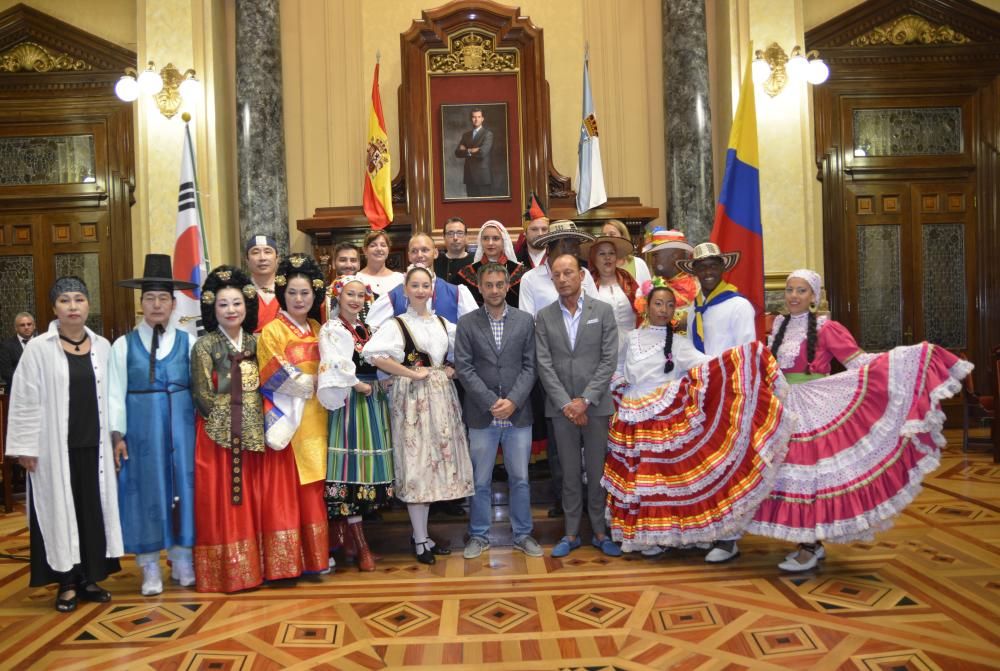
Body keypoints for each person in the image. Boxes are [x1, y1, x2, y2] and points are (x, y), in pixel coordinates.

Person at [746, 269, 973, 571]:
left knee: (815, 477)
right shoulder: (777, 327)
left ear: (813, 297)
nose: (793, 296)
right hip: (786, 405)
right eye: (789, 290)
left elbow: (857, 361)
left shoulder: (827, 328)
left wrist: (900, 358)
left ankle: (811, 546)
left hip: (816, 406)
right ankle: (807, 541)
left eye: (801, 291)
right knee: (788, 476)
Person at [602, 280, 790, 556]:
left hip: (662, 417)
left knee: (661, 481)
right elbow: (615, 366)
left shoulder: (678, 343)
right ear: (646, 307)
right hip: (631, 415)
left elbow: (708, 364)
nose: (664, 309)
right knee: (636, 479)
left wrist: (742, 359)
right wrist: (620, 384)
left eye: (669, 305)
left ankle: (665, 534)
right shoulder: (630, 337)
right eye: (658, 303)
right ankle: (645, 536)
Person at [6, 277, 122, 612]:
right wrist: (25, 447)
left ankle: (89, 578)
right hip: (54, 449)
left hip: (94, 447)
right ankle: (66, 583)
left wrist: (116, 436)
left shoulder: (103, 346)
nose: (73, 306)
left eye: (79, 299)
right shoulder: (39, 349)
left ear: (88, 305)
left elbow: (113, 397)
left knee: (90, 513)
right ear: (54, 307)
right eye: (65, 301)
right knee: (58, 512)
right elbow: (24, 399)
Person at [362, 266, 474, 564]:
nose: (421, 290)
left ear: (432, 289)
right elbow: (373, 354)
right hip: (412, 401)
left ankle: (422, 536)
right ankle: (420, 538)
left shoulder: (442, 323)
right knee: (416, 464)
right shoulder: (396, 324)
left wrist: (452, 370)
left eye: (426, 285)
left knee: (432, 466)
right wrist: (408, 373)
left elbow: (469, 348)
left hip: (440, 398)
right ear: (406, 290)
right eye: (416, 285)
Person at [110, 254, 197, 595]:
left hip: (182, 431)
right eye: (150, 298)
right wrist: (118, 435)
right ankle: (149, 567)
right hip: (142, 431)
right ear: (141, 303)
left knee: (184, 491)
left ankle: (183, 559)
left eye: (163, 298)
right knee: (144, 492)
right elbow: (114, 393)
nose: (157, 304)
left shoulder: (188, 342)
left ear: (174, 303)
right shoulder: (123, 345)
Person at [676, 242, 757, 562]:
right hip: (700, 395)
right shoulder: (692, 308)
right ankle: (707, 529)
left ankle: (729, 537)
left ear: (723, 268)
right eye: (701, 266)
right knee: (704, 464)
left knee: (729, 466)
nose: (707, 271)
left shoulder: (738, 306)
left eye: (713, 265)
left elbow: (746, 353)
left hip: (729, 395)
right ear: (694, 271)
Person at [535, 254, 620, 558]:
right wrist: (566, 404)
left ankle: (599, 531)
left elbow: (609, 359)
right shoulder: (544, 317)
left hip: (595, 406)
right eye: (557, 275)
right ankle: (571, 533)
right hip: (561, 410)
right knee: (568, 473)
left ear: (581, 275)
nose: (562, 279)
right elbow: (543, 364)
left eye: (568, 273)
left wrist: (584, 400)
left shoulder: (604, 312)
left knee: (598, 472)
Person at [455, 263, 541, 559]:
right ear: (479, 287)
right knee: (480, 481)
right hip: (482, 415)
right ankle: (479, 536)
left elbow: (532, 366)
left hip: (518, 415)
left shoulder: (525, 320)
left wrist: (514, 401)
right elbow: (464, 369)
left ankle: (523, 534)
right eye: (488, 284)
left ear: (508, 286)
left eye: (499, 284)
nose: (494, 290)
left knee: (520, 478)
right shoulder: (466, 323)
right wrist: (492, 402)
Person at [190, 266, 264, 593]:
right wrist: (230, 424)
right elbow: (201, 393)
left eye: (236, 303)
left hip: (252, 434)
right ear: (212, 309)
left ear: (246, 306)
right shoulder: (204, 346)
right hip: (216, 437)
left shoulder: (255, 342)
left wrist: (251, 423)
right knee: (220, 500)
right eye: (223, 305)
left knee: (251, 498)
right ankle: (224, 571)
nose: (231, 310)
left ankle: (253, 568)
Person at [256, 254, 330, 578]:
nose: (299, 299)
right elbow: (270, 373)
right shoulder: (272, 331)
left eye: (305, 293)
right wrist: (313, 382)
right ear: (283, 295)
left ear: (314, 295)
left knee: (316, 490)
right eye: (292, 293)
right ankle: (288, 562)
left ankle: (318, 558)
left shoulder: (318, 327)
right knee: (289, 495)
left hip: (320, 417)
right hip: (289, 420)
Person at [317, 275, 394, 572]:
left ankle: (351, 538)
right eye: (350, 294)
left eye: (360, 295)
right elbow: (332, 363)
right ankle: (360, 545)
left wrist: (384, 381)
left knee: (366, 472)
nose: (355, 300)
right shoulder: (332, 328)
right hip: (350, 403)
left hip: (371, 401)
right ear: (338, 297)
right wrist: (356, 384)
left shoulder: (367, 328)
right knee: (350, 473)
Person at [367, 233, 477, 329]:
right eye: (414, 251)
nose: (419, 255)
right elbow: (372, 330)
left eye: (425, 250)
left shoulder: (457, 293)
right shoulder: (392, 296)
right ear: (409, 256)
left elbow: (474, 330)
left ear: (435, 253)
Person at [518, 220, 599, 317]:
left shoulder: (584, 274)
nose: (576, 252)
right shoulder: (530, 279)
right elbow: (527, 322)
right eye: (572, 246)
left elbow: (596, 311)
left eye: (577, 247)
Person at [582, 235, 640, 357]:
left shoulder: (627, 278)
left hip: (633, 346)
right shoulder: (587, 282)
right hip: (600, 349)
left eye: (611, 253)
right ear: (593, 258)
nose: (607, 257)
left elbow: (642, 310)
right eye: (602, 254)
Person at [456, 220, 528, 306]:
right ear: (480, 241)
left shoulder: (521, 273)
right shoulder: (466, 273)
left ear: (503, 241)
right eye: (485, 238)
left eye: (495, 238)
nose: (490, 243)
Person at [642, 228, 697, 332]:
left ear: (674, 256)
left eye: (655, 255)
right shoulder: (652, 286)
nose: (652, 262)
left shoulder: (697, 288)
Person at [454, 107, 494, 197]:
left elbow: (482, 153)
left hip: (482, 178)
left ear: (482, 119)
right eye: (474, 117)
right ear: (471, 119)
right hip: (469, 176)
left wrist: (466, 150)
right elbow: (457, 153)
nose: (476, 119)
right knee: (471, 207)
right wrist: (471, 150)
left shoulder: (488, 134)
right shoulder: (466, 135)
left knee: (484, 207)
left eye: (478, 117)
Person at [245, 234, 281, 332]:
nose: (262, 258)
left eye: (267, 251)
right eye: (255, 252)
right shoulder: (239, 293)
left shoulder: (289, 291)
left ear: (277, 258)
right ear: (247, 260)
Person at [357, 230, 405, 302]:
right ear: (365, 250)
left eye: (383, 245)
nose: (379, 249)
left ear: (388, 250)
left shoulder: (400, 279)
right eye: (373, 245)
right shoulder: (357, 279)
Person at [0, 311, 35, 388]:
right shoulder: (6, 346)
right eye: (22, 325)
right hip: (17, 391)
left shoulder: (42, 343)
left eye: (29, 324)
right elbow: (6, 373)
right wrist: (29, 383)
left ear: (34, 326)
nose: (26, 327)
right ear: (16, 328)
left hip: (41, 392)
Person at [434, 217, 474, 284]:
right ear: (444, 237)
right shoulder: (435, 262)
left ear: (466, 236)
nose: (455, 238)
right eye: (450, 233)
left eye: (459, 233)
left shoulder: (475, 261)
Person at [515, 192, 550, 269]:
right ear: (525, 232)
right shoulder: (513, 263)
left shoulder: (557, 259)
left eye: (544, 229)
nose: (540, 234)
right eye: (534, 229)